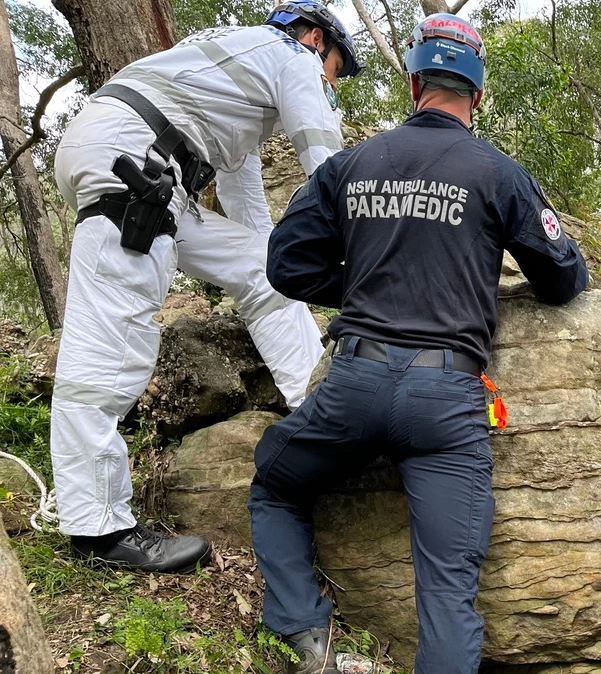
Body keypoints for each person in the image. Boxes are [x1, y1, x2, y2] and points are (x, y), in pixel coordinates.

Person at [248, 13, 589, 674]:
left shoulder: (351, 165)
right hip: (447, 402)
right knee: (448, 595)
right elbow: (561, 279)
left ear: (413, 85)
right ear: (478, 95)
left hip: (354, 385)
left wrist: (370, 289)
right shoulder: (498, 172)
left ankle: (302, 630)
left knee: (275, 483)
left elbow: (285, 264)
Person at [50, 0, 362, 573]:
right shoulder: (292, 55)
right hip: (134, 164)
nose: (331, 86)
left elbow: (254, 226)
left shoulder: (239, 79)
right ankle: (99, 527)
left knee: (258, 264)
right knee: (112, 346)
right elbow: (328, 166)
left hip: (141, 157)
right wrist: (365, 264)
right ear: (317, 38)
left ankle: (313, 398)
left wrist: (290, 266)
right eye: (337, 71)